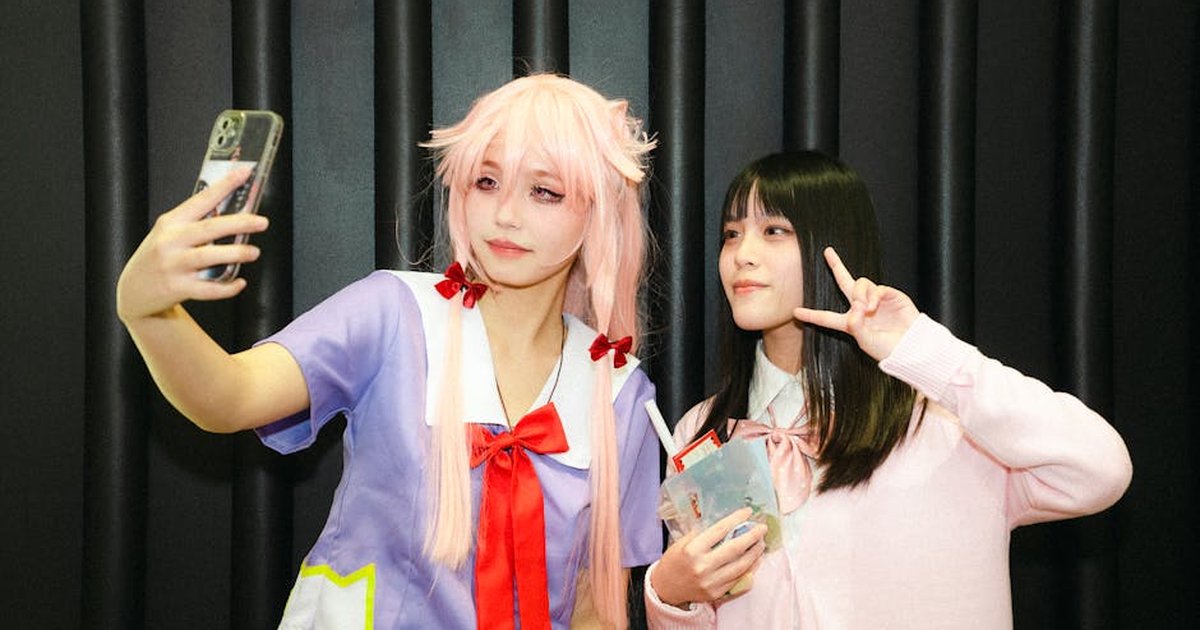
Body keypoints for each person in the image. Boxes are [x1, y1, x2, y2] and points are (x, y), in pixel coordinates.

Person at [116, 74, 662, 629]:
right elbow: (228, 397)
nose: (506, 215)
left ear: (599, 212)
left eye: (543, 191)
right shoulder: (393, 312)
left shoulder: (617, 389)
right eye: (486, 181)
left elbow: (599, 610)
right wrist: (148, 312)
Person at [642, 150, 1132, 628]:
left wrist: (925, 352)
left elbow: (1100, 470)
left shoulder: (944, 421)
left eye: (774, 231)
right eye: (732, 234)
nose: (741, 256)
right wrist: (670, 592)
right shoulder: (700, 433)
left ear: (833, 245)